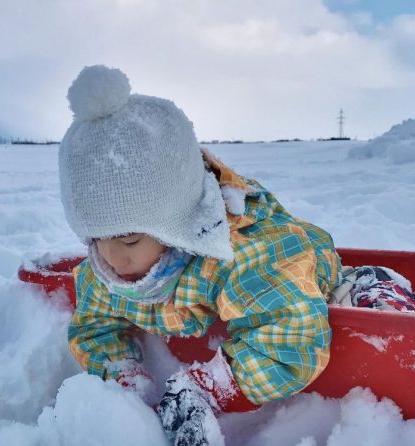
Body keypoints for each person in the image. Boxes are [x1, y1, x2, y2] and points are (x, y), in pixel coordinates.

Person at [58, 65, 342, 446]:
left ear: (177, 228)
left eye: (128, 240)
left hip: (304, 267)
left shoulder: (241, 260)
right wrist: (124, 376)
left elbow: (290, 342)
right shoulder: (103, 270)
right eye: (95, 238)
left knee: (335, 290)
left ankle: (368, 286)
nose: (111, 258)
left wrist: (206, 388)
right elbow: (93, 326)